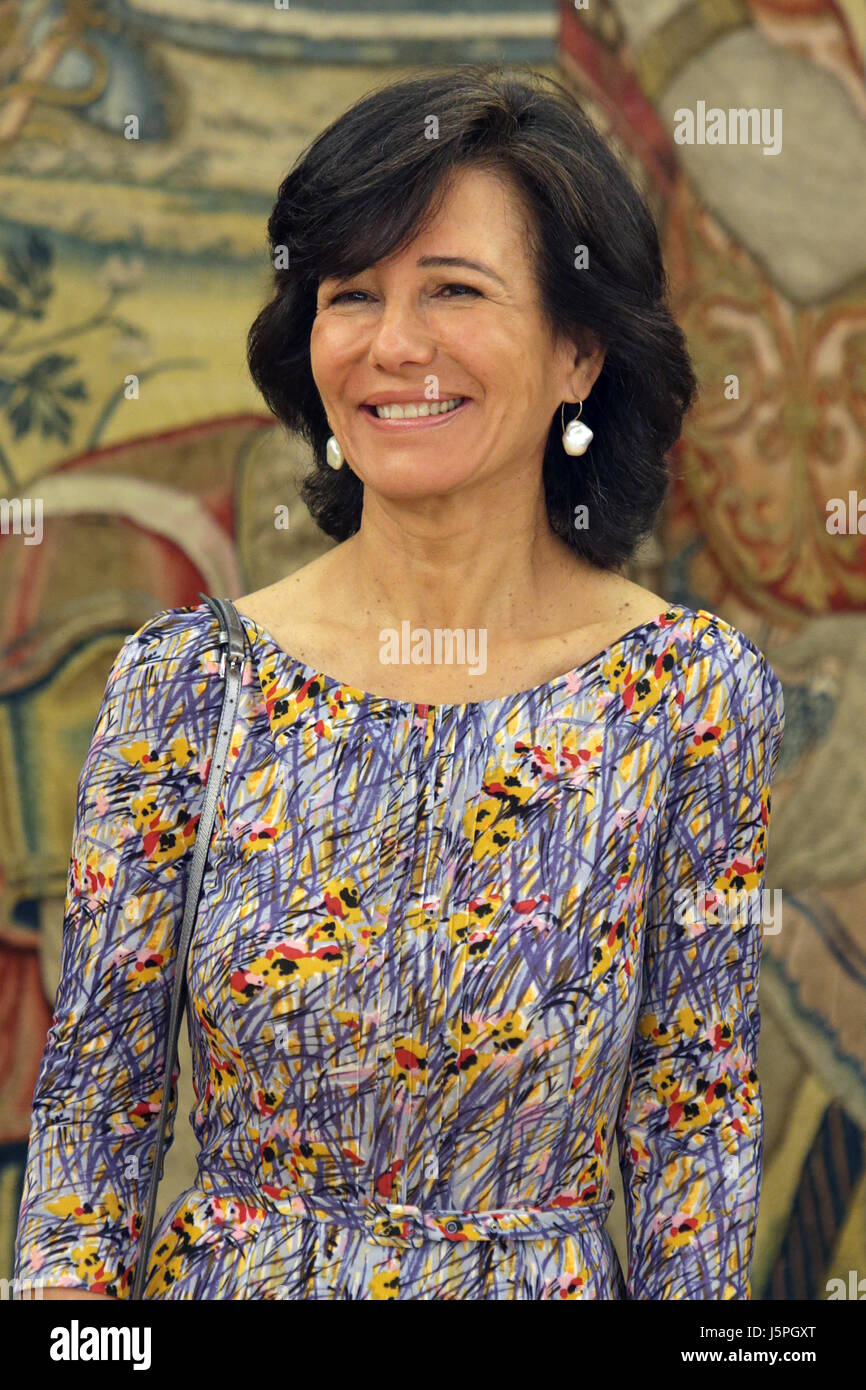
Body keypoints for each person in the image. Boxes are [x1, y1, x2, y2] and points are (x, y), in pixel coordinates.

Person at [14, 64, 785, 1300]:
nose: (393, 345)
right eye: (351, 294)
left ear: (578, 348)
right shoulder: (186, 686)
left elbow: (693, 1121)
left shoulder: (684, 695)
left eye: (453, 291)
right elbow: (92, 1121)